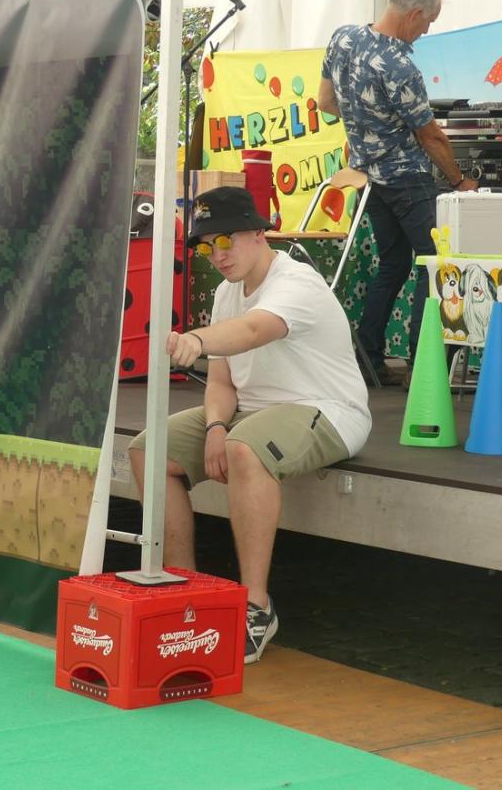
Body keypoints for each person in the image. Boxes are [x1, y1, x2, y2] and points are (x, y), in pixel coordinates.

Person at [128, 187, 371, 664]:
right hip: (251, 414)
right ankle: (185, 591)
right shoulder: (225, 293)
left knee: (245, 448)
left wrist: (197, 340)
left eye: (226, 240)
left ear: (260, 234)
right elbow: (221, 381)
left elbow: (255, 330)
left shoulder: (296, 281)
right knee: (148, 449)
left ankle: (257, 608)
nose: (217, 254)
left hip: (328, 409)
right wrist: (215, 427)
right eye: (206, 246)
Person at [318, 0, 479, 386]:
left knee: (392, 265)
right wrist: (459, 180)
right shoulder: (400, 66)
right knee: (434, 264)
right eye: (427, 23)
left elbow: (326, 102)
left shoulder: (342, 38)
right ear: (414, 13)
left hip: (369, 179)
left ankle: (368, 358)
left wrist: (365, 126)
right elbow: (431, 137)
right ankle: (422, 366)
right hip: (408, 178)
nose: (425, 32)